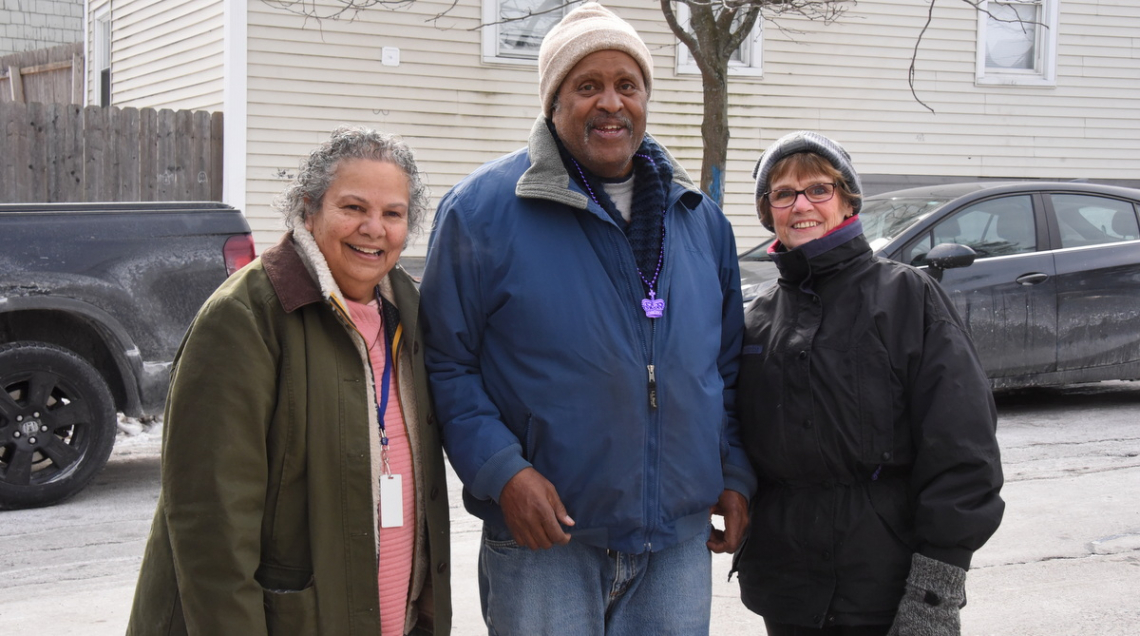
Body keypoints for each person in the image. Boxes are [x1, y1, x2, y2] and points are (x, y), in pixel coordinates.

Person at [418, 3, 755, 635]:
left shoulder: (700, 220)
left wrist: (733, 471)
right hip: (545, 540)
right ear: (553, 102)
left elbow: (726, 366)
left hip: (676, 544)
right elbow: (447, 361)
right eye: (587, 86)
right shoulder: (480, 211)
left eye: (627, 85)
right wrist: (503, 473)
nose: (611, 103)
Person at [126, 127, 451, 636]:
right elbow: (210, 525)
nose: (374, 228)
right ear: (309, 208)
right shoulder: (245, 317)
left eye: (393, 213)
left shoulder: (407, 310)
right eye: (352, 207)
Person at [733, 130, 1005, 636]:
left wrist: (936, 590)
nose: (802, 205)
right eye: (783, 193)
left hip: (884, 579)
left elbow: (962, 446)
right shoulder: (757, 320)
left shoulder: (906, 297)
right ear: (767, 211)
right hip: (786, 584)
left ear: (847, 201)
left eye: (819, 188)